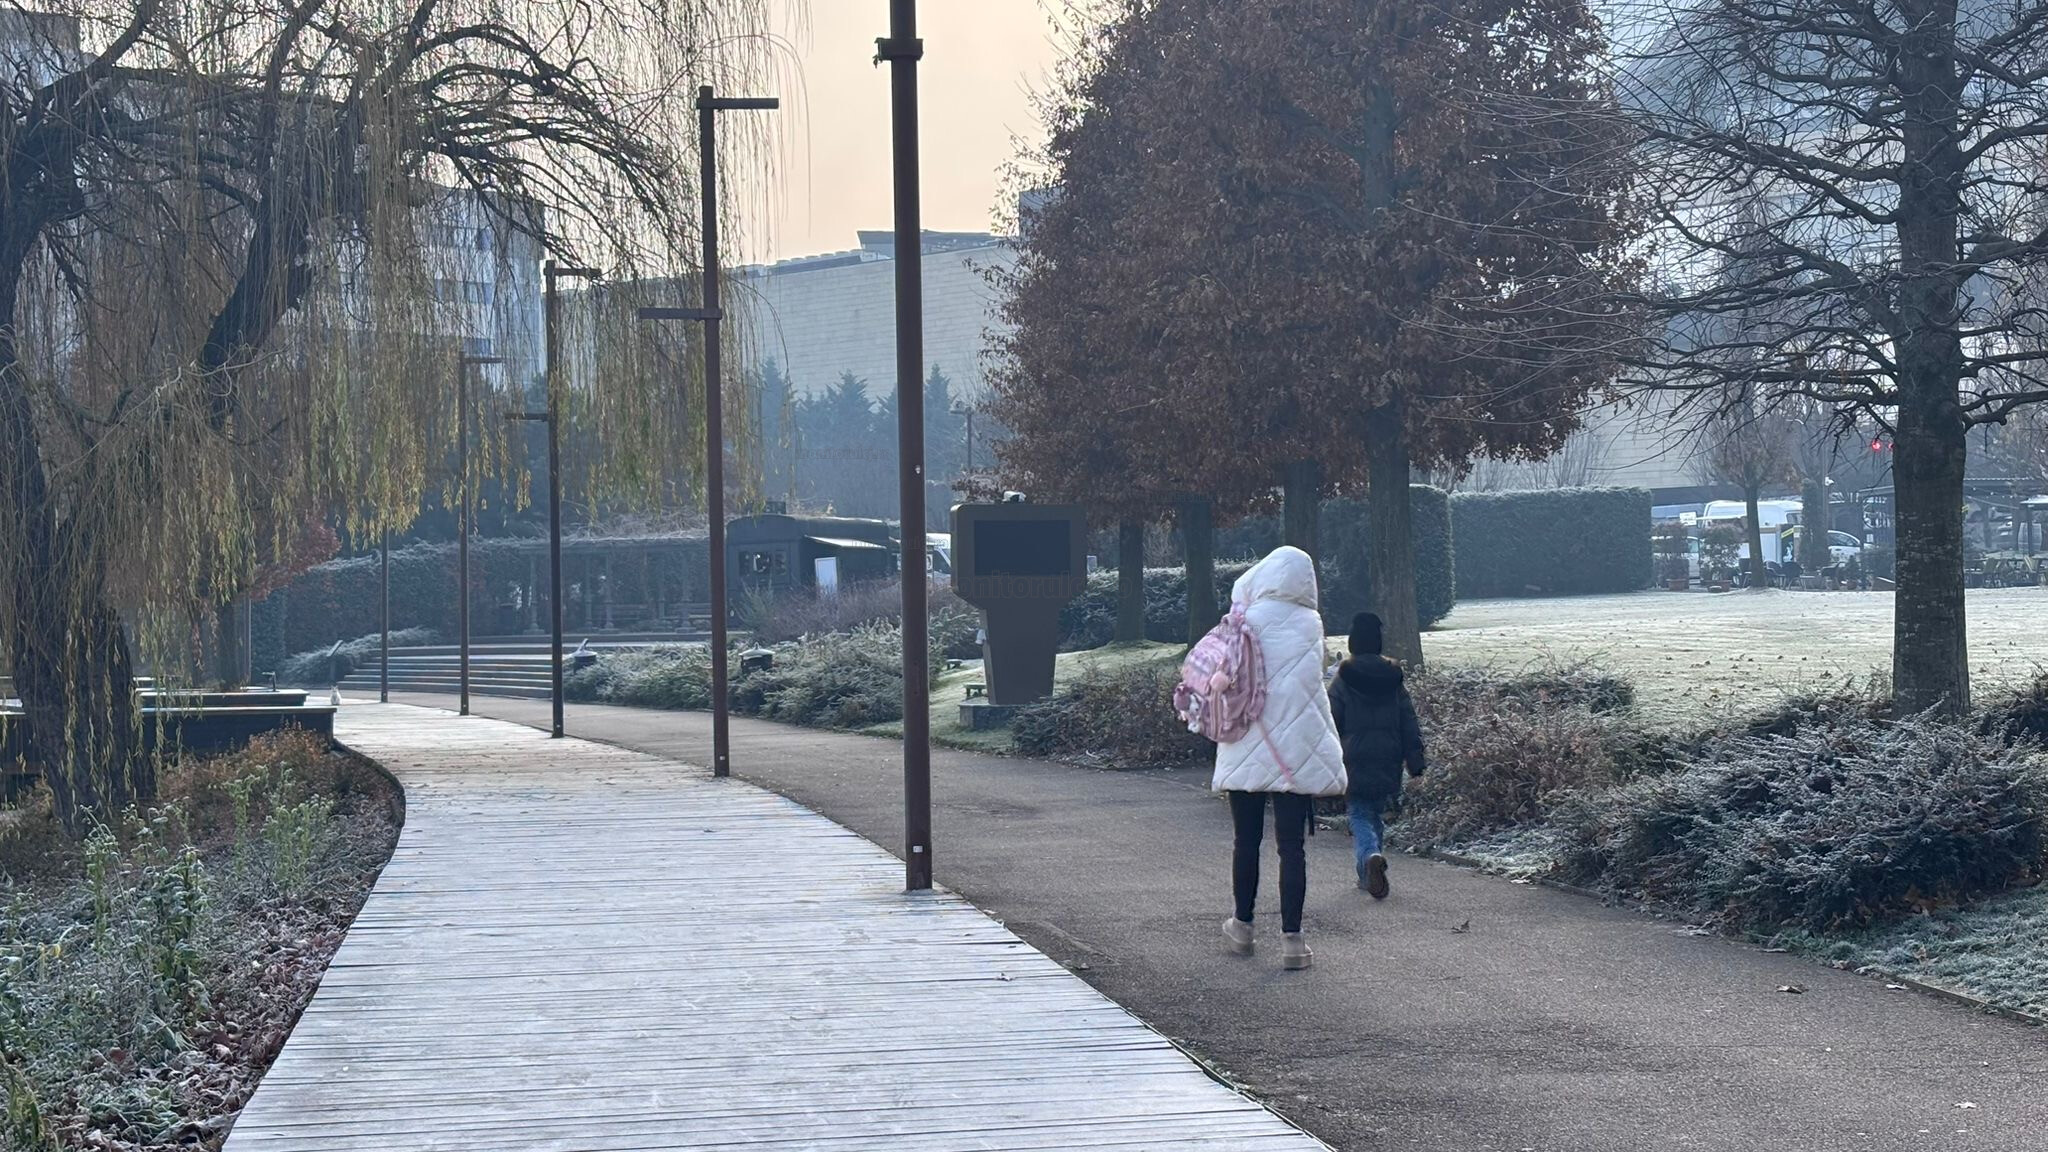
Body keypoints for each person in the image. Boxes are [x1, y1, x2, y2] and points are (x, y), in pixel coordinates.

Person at [1212, 546, 1346, 970]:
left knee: (1245, 841)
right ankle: (1293, 940)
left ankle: (1243, 926)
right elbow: (1312, 690)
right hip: (1296, 752)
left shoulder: (1243, 620)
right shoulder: (1311, 623)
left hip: (1246, 741)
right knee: (1292, 847)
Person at [1326, 611, 1426, 899]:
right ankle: (1370, 867)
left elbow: (1331, 721)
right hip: (1388, 755)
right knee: (1376, 810)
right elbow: (1409, 720)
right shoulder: (1393, 678)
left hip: (1353, 756)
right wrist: (1415, 759)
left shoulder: (1343, 679)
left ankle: (1369, 857)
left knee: (1358, 811)